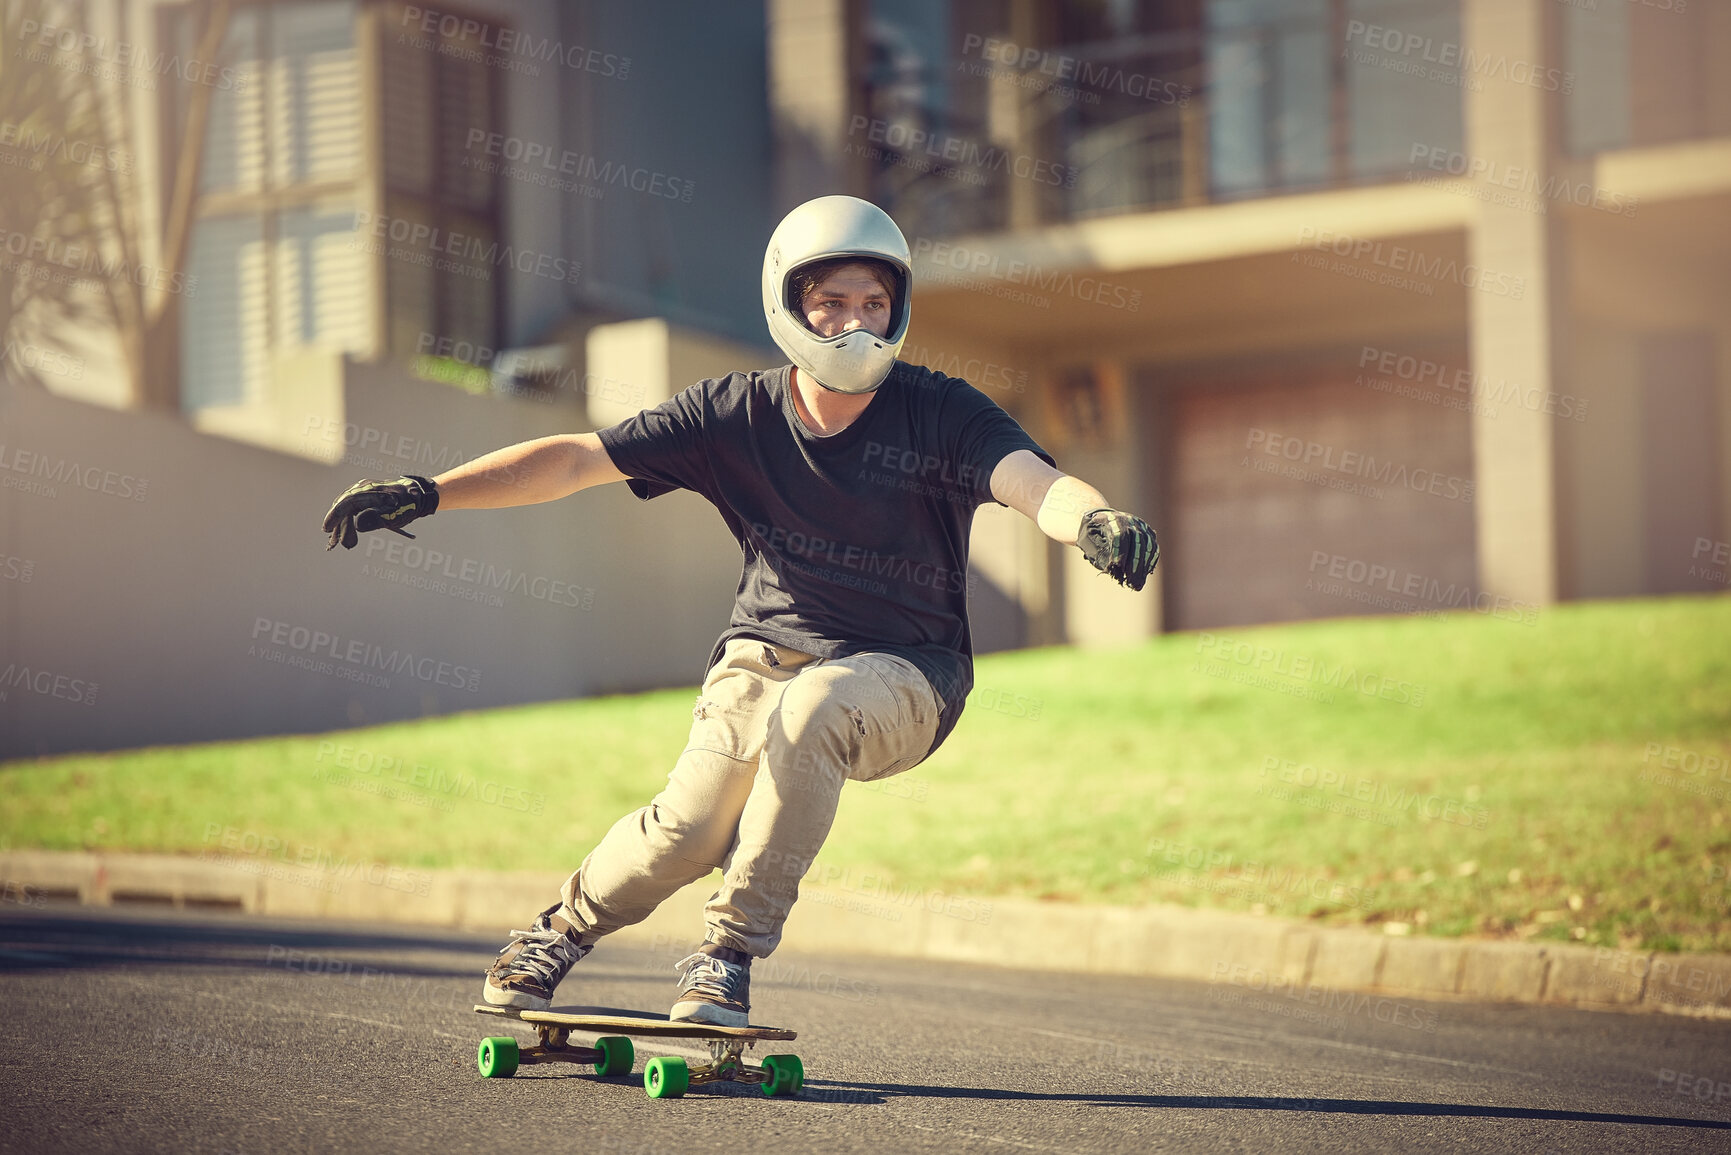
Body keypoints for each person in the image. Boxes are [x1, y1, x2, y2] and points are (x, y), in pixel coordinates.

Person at [321, 195, 1157, 1026]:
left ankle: (726, 953)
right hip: (763, 654)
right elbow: (576, 460)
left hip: (908, 675)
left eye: (874, 304)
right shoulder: (734, 413)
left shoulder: (941, 410)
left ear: (899, 308)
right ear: (789, 304)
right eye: (830, 304)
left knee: (816, 706)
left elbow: (1030, 481)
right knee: (687, 827)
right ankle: (555, 932)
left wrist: (1090, 520)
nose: (854, 326)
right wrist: (431, 491)